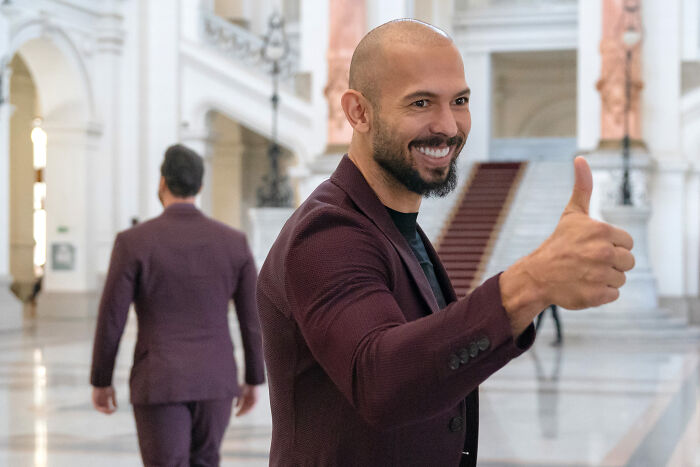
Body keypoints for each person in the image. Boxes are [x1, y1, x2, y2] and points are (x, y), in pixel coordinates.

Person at [256, 19, 634, 467]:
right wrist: (531, 284)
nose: (448, 126)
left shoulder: (395, 225)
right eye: (420, 102)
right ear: (358, 112)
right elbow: (380, 381)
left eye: (460, 101)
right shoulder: (328, 233)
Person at [90, 144, 265, 466]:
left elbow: (112, 317)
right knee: (206, 460)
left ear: (162, 182)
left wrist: (101, 380)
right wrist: (255, 377)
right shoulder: (233, 242)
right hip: (216, 379)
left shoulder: (133, 242)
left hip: (160, 379)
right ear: (199, 187)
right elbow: (252, 319)